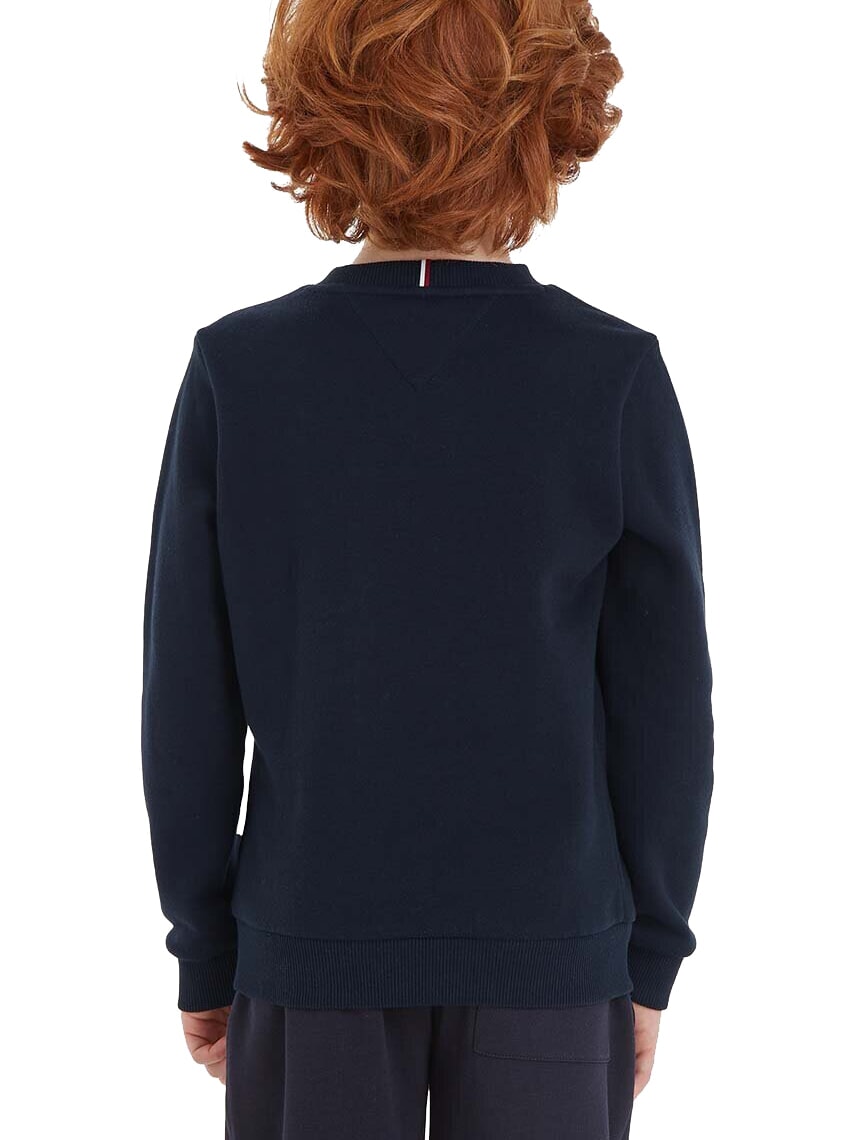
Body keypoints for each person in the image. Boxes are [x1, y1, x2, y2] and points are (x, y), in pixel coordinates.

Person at [140, 2, 714, 1137]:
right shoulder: (610, 375)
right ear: (551, 116)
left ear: (320, 112)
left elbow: (189, 700)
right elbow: (662, 706)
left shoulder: (240, 372)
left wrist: (205, 946)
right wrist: (648, 956)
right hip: (553, 947)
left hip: (309, 938)